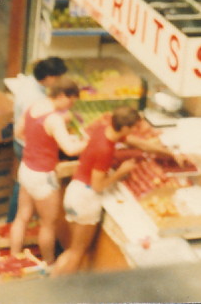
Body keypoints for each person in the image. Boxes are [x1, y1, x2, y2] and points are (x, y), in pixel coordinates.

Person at [50, 106, 142, 277]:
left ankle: (53, 280)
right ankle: (60, 289)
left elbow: (130, 142)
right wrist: (121, 172)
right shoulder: (105, 151)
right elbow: (98, 185)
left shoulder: (102, 130)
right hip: (86, 200)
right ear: (124, 128)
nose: (134, 131)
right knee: (77, 253)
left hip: (74, 192)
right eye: (133, 128)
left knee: (72, 250)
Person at [9, 76, 85, 264]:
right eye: (70, 101)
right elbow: (70, 149)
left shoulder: (34, 107)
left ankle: (12, 257)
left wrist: (38, 144)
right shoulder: (54, 120)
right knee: (48, 225)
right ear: (61, 96)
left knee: (22, 217)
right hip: (43, 176)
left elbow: (19, 132)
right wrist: (89, 141)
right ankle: (49, 263)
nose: (71, 106)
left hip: (26, 168)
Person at [7, 57, 67, 223]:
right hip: (27, 145)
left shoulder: (29, 82)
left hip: (22, 142)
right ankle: (12, 222)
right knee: (25, 187)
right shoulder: (35, 99)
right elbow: (28, 127)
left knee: (23, 184)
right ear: (49, 77)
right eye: (58, 78)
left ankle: (15, 222)